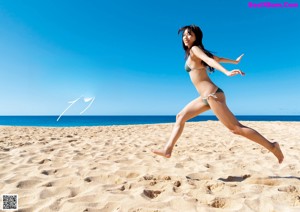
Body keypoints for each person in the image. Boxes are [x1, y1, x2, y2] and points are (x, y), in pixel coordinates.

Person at [152, 24, 284, 164]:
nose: (186, 37)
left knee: (236, 128)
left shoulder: (195, 49)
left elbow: (210, 61)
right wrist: (235, 61)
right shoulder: (195, 52)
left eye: (189, 34)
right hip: (205, 97)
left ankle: (273, 146)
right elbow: (218, 58)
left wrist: (226, 72)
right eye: (184, 35)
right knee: (180, 117)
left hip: (212, 95)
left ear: (196, 37)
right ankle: (168, 149)